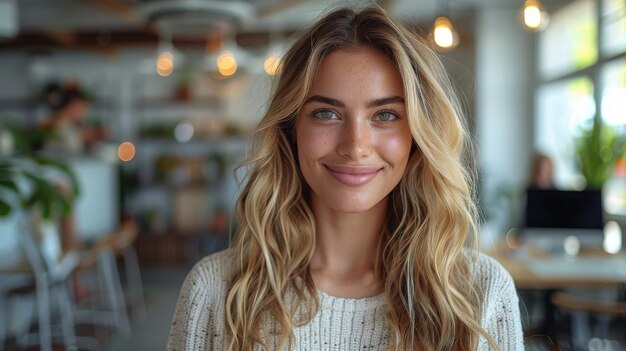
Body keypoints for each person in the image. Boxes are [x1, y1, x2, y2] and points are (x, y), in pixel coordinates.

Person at [168, 6, 523, 350]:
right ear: (291, 130)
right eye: (326, 113)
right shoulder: (216, 290)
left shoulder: (480, 293)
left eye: (385, 115)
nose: (355, 146)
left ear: (418, 134)